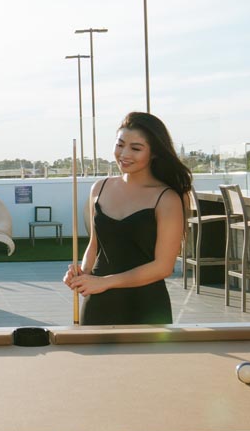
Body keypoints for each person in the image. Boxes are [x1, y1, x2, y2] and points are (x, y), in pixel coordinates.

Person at [64, 111, 193, 324]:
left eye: (136, 148)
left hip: (146, 306)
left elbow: (163, 267)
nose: (124, 153)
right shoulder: (100, 188)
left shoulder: (167, 198)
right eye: (120, 144)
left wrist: (105, 282)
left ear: (154, 153)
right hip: (98, 304)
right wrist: (81, 273)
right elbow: (95, 246)